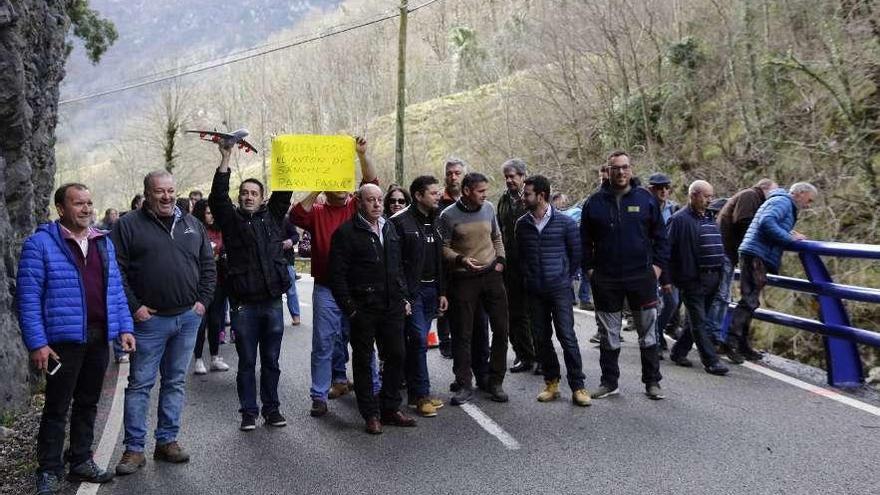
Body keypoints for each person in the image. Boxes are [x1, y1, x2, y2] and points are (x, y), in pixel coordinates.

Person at [17, 183, 136, 495]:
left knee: (88, 403)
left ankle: (81, 460)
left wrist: (125, 327)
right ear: (61, 209)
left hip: (99, 339)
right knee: (57, 407)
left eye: (89, 203)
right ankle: (49, 470)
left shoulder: (102, 242)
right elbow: (28, 300)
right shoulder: (39, 244)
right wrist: (38, 343)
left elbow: (116, 291)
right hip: (61, 344)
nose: (86, 209)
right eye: (78, 204)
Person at [112, 170, 216, 475]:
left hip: (187, 318)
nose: (167, 197)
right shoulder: (127, 225)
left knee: (174, 382)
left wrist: (202, 303)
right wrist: (135, 308)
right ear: (147, 193)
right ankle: (133, 449)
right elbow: (115, 271)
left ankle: (167, 441)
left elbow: (208, 266)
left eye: (171, 191)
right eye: (160, 192)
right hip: (149, 322)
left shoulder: (192, 224)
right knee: (140, 384)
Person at [290, 137, 380, 418]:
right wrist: (320, 180)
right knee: (324, 342)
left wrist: (362, 155)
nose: (341, 185)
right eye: (335, 181)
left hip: (358, 288)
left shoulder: (356, 207)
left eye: (344, 180)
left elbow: (371, 181)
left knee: (363, 339)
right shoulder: (317, 212)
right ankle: (319, 394)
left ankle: (373, 387)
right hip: (327, 287)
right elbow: (296, 214)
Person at [210, 143, 294, 431]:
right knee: (247, 362)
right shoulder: (230, 221)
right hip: (244, 306)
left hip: (272, 303)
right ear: (239, 197)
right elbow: (218, 197)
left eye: (254, 193)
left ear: (262, 198)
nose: (248, 196)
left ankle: (272, 410)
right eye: (244, 193)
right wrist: (224, 159)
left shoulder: (273, 217)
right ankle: (248, 412)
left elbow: (285, 190)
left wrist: (285, 155)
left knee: (271, 361)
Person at [328, 183, 416, 434]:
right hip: (363, 309)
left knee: (397, 355)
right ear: (359, 202)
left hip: (392, 307)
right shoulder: (346, 233)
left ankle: (390, 408)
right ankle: (371, 414)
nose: (377, 204)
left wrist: (403, 297)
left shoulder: (390, 227)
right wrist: (351, 310)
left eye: (379, 199)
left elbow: (397, 266)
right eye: (371, 200)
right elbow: (337, 276)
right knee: (364, 361)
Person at [581, 151, 669, 400]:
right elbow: (584, 242)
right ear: (608, 171)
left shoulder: (646, 199)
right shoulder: (594, 202)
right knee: (609, 333)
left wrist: (657, 269)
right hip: (606, 278)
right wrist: (589, 270)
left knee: (647, 331)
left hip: (641, 277)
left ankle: (652, 382)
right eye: (615, 168)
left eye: (625, 167)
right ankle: (609, 382)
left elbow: (661, 237)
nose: (621, 172)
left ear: (631, 170)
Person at [515, 175, 591, 407]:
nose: (523, 197)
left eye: (527, 193)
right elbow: (520, 257)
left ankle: (578, 386)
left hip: (559, 290)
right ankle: (551, 383)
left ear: (541, 196)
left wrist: (565, 278)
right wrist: (528, 278)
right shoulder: (522, 224)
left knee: (567, 337)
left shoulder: (566, 223)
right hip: (534, 292)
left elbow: (576, 255)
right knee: (541, 339)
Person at [726, 182, 818, 363]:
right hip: (756, 254)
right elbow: (766, 221)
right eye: (809, 200)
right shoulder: (783, 202)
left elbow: (771, 221)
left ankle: (742, 345)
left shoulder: (781, 201)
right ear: (799, 194)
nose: (808, 205)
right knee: (749, 300)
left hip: (754, 252)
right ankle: (732, 342)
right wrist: (788, 238)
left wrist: (788, 231)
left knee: (750, 300)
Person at [439, 172, 510, 405]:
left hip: (491, 275)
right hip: (463, 279)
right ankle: (464, 383)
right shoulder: (448, 216)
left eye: (485, 191)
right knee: (463, 334)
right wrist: (460, 260)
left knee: (501, 328)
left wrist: (500, 261)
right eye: (481, 191)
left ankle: (495, 380)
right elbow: (443, 248)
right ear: (467, 191)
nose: (485, 195)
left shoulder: (489, 208)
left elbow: (497, 236)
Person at [391, 175, 448, 417]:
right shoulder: (399, 223)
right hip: (411, 293)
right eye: (433, 193)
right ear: (418, 196)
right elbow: (395, 265)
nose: (438, 196)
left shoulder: (436, 220)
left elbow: (439, 260)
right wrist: (403, 296)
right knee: (418, 340)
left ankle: (418, 392)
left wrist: (442, 291)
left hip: (431, 291)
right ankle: (420, 395)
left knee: (419, 342)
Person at [665, 181, 730, 376]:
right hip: (691, 279)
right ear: (693, 195)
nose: (710, 200)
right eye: (706, 196)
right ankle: (711, 361)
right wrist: (666, 280)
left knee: (696, 320)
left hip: (713, 277)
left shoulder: (709, 217)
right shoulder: (679, 220)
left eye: (711, 196)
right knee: (699, 321)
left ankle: (678, 351)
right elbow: (665, 251)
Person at [496, 158, 536, 374]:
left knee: (533, 314)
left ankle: (539, 356)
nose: (509, 180)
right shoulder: (502, 200)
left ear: (523, 176)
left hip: (530, 265)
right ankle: (523, 355)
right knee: (513, 313)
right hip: (508, 266)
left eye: (513, 176)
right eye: (506, 177)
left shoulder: (532, 199)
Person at [190, 199, 230, 375]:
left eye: (213, 212)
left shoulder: (220, 231)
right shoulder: (195, 232)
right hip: (200, 285)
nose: (211, 216)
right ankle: (198, 359)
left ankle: (215, 357)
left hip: (219, 283)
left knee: (216, 321)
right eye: (207, 212)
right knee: (201, 322)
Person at [648, 172, 680, 356]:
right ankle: (654, 341)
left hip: (669, 263)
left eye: (666, 187)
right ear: (651, 189)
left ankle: (658, 331)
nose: (664, 191)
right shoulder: (645, 208)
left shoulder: (674, 210)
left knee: (672, 302)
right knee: (652, 305)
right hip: (649, 263)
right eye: (659, 188)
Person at [282, 211, 301, 326]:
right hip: (271, 261)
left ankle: (296, 315)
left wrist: (290, 241)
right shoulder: (265, 219)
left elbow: (296, 236)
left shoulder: (287, 219)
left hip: (287, 259)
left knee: (291, 289)